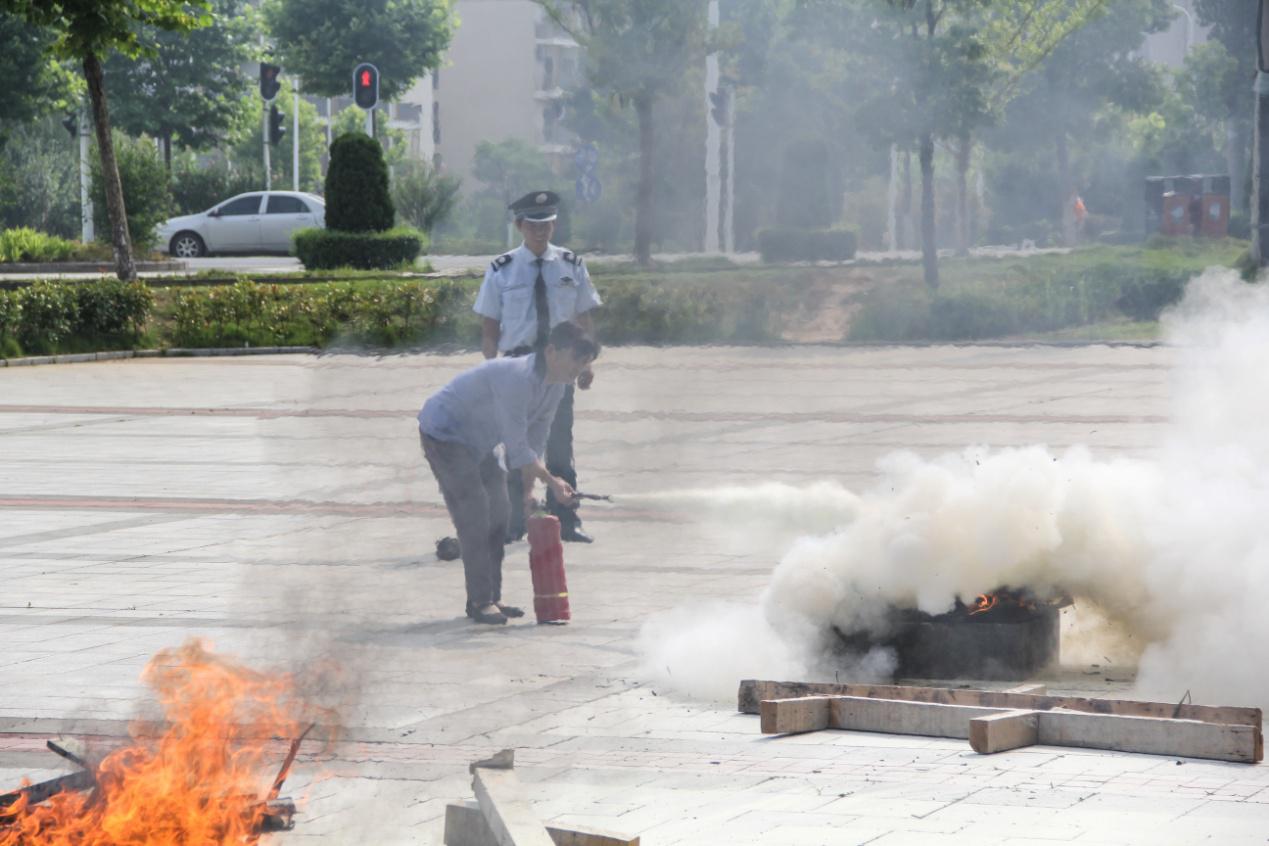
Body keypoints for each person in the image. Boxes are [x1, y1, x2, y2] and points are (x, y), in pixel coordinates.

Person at [417, 321, 600, 625]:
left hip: (481, 441)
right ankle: (480, 601)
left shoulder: (556, 387)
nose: (579, 368)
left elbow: (534, 442)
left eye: (584, 362)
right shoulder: (517, 378)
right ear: (551, 351)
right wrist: (553, 482)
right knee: (475, 512)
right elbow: (516, 445)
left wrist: (528, 492)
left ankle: (492, 597)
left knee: (500, 512)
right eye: (575, 359)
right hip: (445, 434)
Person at [475, 190, 602, 544]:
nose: (540, 231)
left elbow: (583, 318)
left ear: (554, 224)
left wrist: (587, 363)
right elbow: (489, 325)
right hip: (518, 367)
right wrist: (490, 368)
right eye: (533, 225)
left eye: (546, 224)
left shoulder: (571, 264)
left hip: (561, 366)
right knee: (516, 445)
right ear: (520, 226)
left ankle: (566, 519)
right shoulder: (501, 268)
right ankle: (513, 521)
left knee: (560, 444)